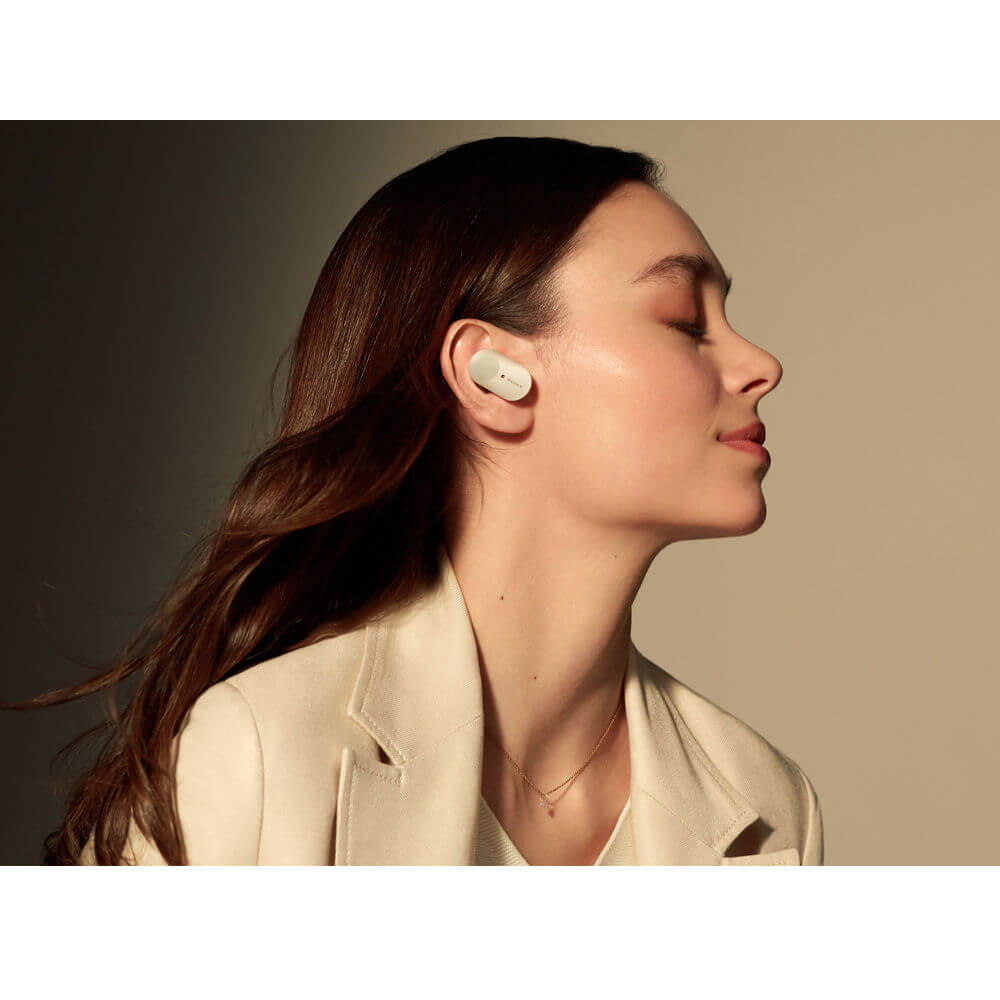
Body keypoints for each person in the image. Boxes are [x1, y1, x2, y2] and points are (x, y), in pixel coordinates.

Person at [4, 135, 823, 865]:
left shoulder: (769, 806)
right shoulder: (260, 751)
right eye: (684, 320)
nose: (762, 364)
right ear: (491, 376)